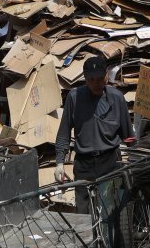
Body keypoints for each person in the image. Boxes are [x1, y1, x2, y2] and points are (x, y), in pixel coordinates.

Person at [54, 56, 132, 214]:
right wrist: (59, 163)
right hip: (84, 164)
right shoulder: (74, 98)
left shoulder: (117, 99)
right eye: (91, 79)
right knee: (83, 214)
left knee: (111, 212)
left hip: (110, 161)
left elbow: (129, 136)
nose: (96, 84)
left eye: (99, 79)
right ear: (85, 79)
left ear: (106, 76)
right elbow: (64, 132)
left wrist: (133, 158)